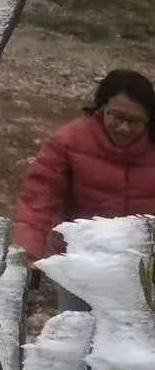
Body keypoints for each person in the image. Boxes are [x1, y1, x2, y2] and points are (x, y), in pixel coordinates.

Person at [14, 68, 155, 282]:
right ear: (101, 108)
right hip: (82, 262)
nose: (124, 128)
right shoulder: (68, 142)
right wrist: (28, 254)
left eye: (135, 121)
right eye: (117, 116)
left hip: (144, 264)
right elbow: (38, 202)